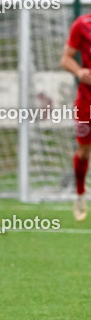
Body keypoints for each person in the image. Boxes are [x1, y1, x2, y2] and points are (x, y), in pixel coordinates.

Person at [61, 12, 91, 221]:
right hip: (86, 100)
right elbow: (65, 59)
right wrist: (79, 72)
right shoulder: (82, 24)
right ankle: (80, 193)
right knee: (83, 150)